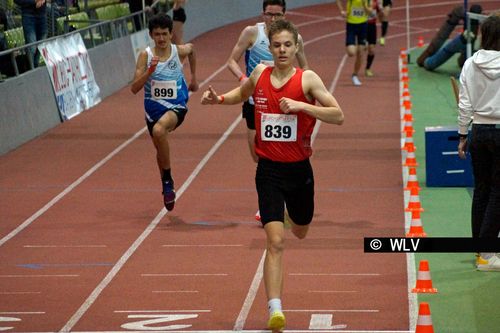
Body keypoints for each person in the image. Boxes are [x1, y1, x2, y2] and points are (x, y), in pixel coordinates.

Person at [201, 19, 344, 332]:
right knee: (275, 241)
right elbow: (243, 93)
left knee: (301, 230)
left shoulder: (307, 79)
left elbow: (338, 115)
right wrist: (219, 99)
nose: (281, 50)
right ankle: (275, 309)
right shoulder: (259, 73)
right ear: (269, 46)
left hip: (299, 170)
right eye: (276, 45)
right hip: (268, 171)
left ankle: (295, 216)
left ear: (296, 48)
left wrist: (302, 107)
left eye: (287, 45)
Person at [130, 13, 198, 212]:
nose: (161, 38)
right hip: (152, 111)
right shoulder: (146, 56)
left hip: (176, 106)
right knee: (160, 149)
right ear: (151, 35)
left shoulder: (180, 51)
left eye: (164, 34)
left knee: (160, 132)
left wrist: (194, 77)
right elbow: (134, 88)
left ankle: (167, 181)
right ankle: (166, 184)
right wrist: (149, 72)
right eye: (157, 34)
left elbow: (193, 50)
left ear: (171, 35)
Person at [227, 0, 308, 163]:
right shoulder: (252, 33)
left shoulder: (295, 38)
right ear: (263, 14)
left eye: (277, 15)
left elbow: (305, 67)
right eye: (269, 14)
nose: (273, 19)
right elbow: (231, 61)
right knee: (257, 156)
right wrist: (242, 78)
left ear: (284, 15)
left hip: (282, 101)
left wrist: (304, 88)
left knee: (284, 151)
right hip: (255, 101)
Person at [457, 14, 500, 271]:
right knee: (498, 191)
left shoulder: (471, 63)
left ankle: (479, 249)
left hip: (479, 132)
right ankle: (486, 253)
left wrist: (463, 134)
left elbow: (465, 103)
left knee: (482, 189)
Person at [417, 3, 482, 67]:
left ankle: (425, 61)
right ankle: (425, 61)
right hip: (462, 39)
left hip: (464, 40)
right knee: (430, 63)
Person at [336, 0, 372, 86]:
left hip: (363, 25)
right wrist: (342, 11)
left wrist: (364, 5)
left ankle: (355, 75)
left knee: (360, 53)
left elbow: (370, 12)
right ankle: (362, 45)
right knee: (351, 52)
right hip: (351, 24)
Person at [14, 0, 48, 67]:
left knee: (41, 45)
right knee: (32, 46)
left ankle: (35, 66)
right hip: (28, 16)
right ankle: (31, 68)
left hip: (42, 15)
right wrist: (35, 1)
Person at [365, 0, 381, 76]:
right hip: (363, 26)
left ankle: (367, 68)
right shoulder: (363, 1)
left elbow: (380, 13)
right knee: (362, 48)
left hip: (372, 27)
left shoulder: (376, 2)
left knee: (371, 49)